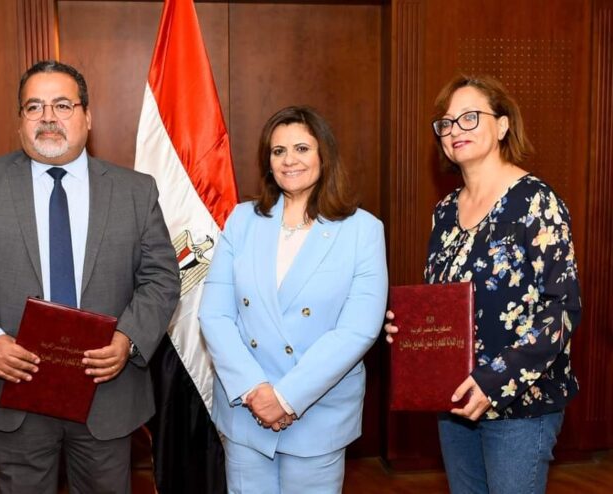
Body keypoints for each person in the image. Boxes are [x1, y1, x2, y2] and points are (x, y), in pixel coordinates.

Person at [0, 60, 180, 494]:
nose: (48, 117)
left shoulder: (136, 190)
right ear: (20, 121)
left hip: (105, 390)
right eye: (34, 107)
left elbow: (161, 277)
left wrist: (128, 339)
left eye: (62, 105)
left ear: (88, 117)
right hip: (12, 388)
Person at [385, 74, 582, 494]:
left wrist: (493, 382)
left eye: (470, 117)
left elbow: (561, 311)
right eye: (447, 123)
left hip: (521, 405)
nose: (456, 129)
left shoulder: (535, 202)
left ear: (503, 125)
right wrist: (408, 330)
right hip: (455, 399)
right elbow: (440, 305)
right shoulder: (444, 212)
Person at [198, 106, 388, 493]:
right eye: (278, 151)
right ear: (267, 162)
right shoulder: (241, 220)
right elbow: (214, 315)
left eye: (301, 148)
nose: (289, 160)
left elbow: (358, 330)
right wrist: (255, 390)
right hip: (247, 408)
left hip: (318, 410)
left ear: (324, 155)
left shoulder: (362, 230)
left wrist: (286, 397)